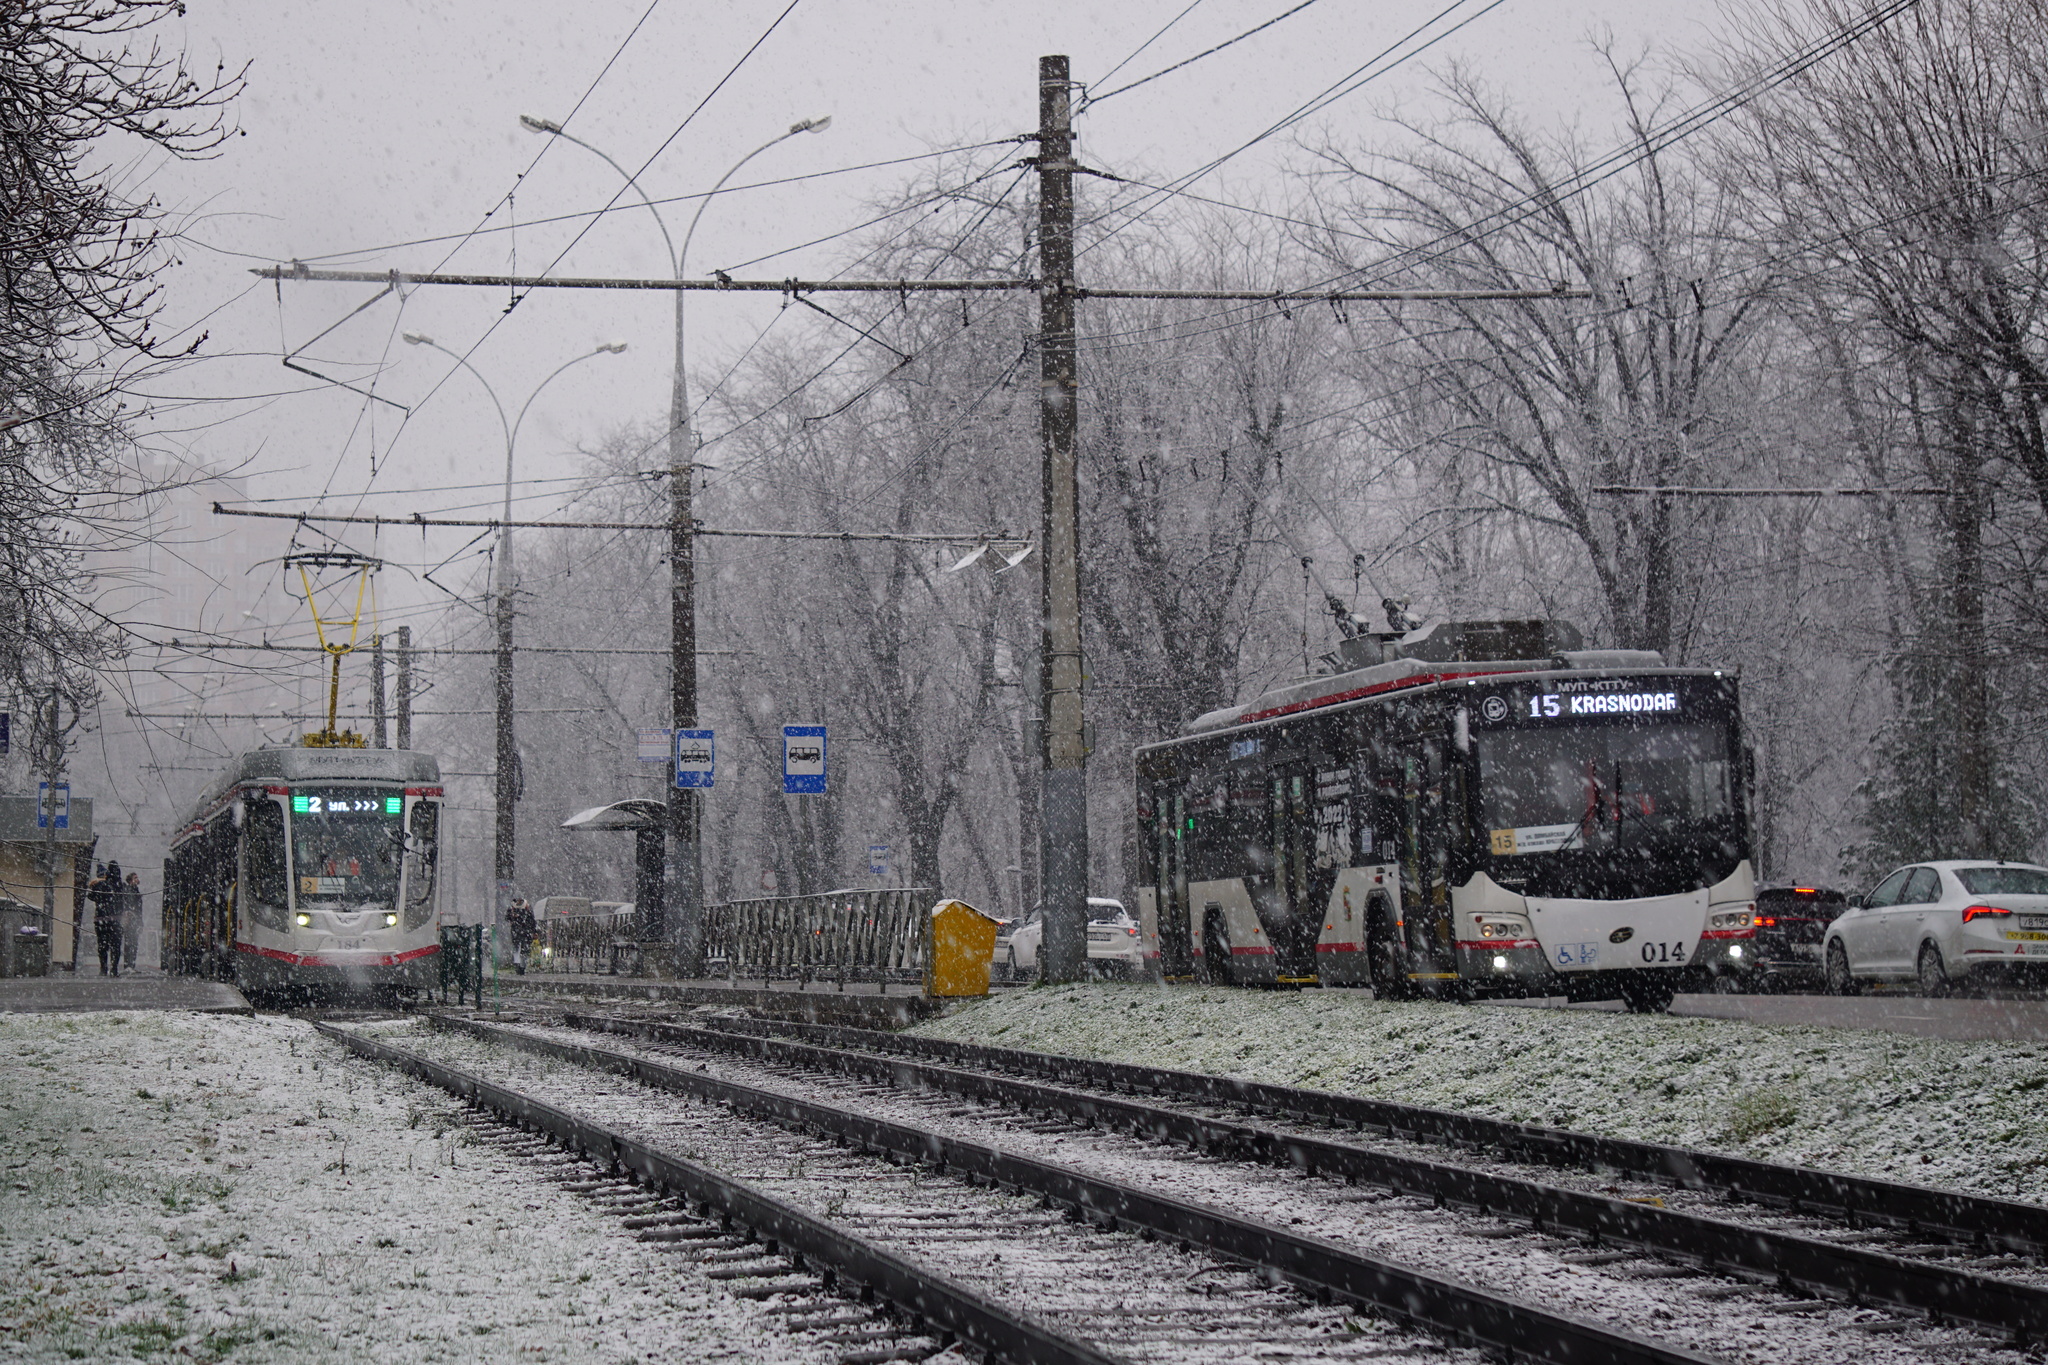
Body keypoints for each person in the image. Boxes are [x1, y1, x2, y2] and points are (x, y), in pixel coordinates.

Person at [91, 860, 123, 977]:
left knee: (102, 945)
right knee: (116, 945)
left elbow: (91, 896)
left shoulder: (100, 884)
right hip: (116, 919)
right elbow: (124, 901)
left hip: (101, 919)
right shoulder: (120, 884)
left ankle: (103, 968)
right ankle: (114, 969)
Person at [506, 897, 536, 975]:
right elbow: (532, 921)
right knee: (524, 951)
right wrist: (533, 931)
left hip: (517, 933)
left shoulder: (512, 909)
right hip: (526, 933)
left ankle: (518, 966)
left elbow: (507, 918)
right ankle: (522, 967)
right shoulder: (527, 910)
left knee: (517, 949)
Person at [120, 872, 143, 971]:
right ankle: (129, 965)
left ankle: (130, 965)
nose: (137, 879)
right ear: (130, 880)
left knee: (132, 943)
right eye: (135, 878)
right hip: (131, 921)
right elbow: (133, 907)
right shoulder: (130, 890)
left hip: (134, 920)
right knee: (131, 943)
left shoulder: (135, 890)